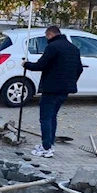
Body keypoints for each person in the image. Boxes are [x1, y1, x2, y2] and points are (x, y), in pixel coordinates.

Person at [21, 25, 83, 158]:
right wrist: (70, 82)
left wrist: (26, 64)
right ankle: (50, 143)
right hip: (65, 90)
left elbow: (40, 65)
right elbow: (79, 69)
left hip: (51, 88)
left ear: (50, 35)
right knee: (52, 116)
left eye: (46, 37)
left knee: (45, 118)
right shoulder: (74, 48)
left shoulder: (53, 47)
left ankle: (46, 147)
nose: (46, 39)